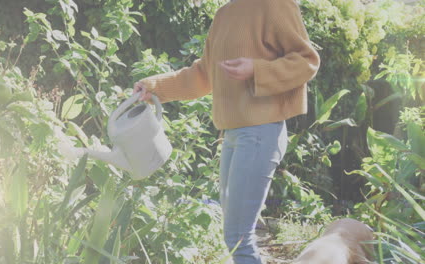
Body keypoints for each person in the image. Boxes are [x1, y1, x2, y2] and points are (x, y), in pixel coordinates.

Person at [133, 0, 320, 263]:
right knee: (234, 237)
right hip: (233, 135)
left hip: (260, 132)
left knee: (238, 239)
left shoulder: (275, 5)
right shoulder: (224, 14)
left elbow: (307, 61)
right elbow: (202, 75)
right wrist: (154, 87)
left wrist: (257, 69)